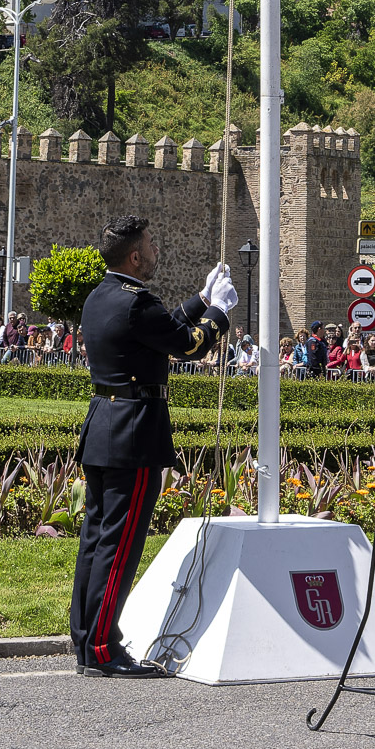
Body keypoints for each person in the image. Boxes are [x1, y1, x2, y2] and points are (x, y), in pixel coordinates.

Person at [71, 213, 235, 677]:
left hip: (105, 423)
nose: (157, 250)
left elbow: (156, 329)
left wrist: (201, 299)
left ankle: (86, 640)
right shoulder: (138, 302)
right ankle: (104, 648)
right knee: (119, 546)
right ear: (136, 255)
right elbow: (185, 344)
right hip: (135, 432)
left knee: (95, 541)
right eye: (152, 244)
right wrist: (219, 313)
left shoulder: (102, 296)